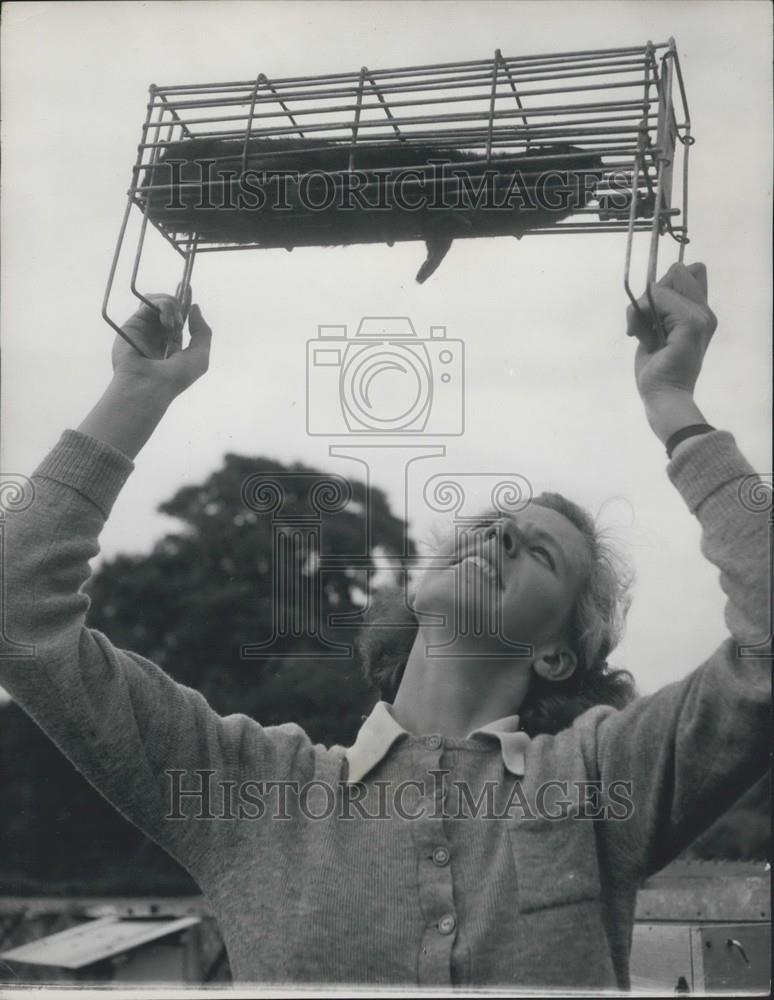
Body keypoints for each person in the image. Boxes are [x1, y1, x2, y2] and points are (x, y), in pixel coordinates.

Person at [3, 264, 770, 989]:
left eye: (538, 551)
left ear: (559, 656)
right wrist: (134, 391)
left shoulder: (601, 779)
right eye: (489, 522)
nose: (497, 535)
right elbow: (15, 607)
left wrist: (674, 404)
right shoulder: (254, 791)